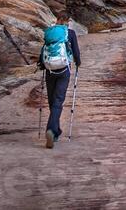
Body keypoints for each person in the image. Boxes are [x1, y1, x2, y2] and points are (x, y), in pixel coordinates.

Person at [38, 10, 81, 148]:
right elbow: (76, 53)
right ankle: (51, 130)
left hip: (50, 70)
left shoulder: (50, 32)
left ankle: (55, 131)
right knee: (58, 101)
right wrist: (78, 63)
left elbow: (44, 49)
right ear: (68, 21)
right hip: (63, 71)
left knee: (52, 101)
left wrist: (41, 64)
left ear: (56, 19)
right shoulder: (70, 33)